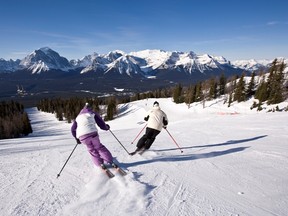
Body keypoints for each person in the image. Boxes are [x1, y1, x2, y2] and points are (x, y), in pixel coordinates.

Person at [71, 103, 118, 171]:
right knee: (99, 147)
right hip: (93, 134)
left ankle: (99, 164)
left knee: (91, 150)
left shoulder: (78, 117)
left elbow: (73, 129)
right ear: (90, 108)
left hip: (82, 137)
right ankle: (109, 160)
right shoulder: (92, 113)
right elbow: (101, 123)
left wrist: (76, 138)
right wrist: (106, 127)